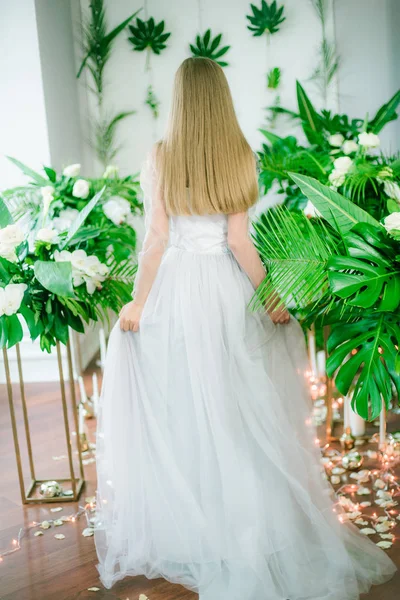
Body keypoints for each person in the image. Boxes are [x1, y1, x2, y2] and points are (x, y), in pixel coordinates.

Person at [94, 57, 396, 599]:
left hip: (179, 294)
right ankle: (250, 524)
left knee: (186, 408)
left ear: (182, 99)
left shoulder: (161, 157)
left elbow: (157, 238)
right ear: (222, 98)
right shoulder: (240, 154)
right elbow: (240, 242)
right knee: (238, 409)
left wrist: (139, 302)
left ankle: (199, 523)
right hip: (227, 293)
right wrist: (269, 295)